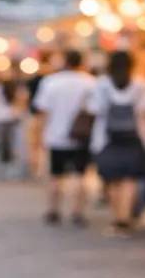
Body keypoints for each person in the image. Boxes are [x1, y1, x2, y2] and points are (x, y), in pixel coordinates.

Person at [88, 50, 145, 238]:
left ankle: (117, 217)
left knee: (111, 179)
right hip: (134, 138)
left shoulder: (102, 84)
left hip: (106, 139)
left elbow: (94, 109)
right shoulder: (141, 85)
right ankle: (125, 218)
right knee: (129, 179)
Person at [33, 49, 97, 227]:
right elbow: (95, 110)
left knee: (55, 174)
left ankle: (54, 209)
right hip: (82, 136)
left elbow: (42, 111)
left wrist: (40, 135)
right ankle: (77, 211)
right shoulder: (90, 83)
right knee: (80, 175)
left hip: (55, 135)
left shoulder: (51, 82)